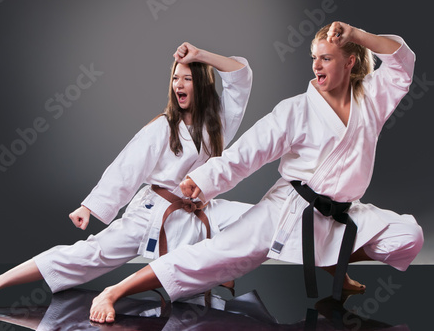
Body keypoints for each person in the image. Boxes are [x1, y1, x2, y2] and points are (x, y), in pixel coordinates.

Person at [87, 21, 424, 323]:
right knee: (212, 257)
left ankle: (327, 256)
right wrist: (201, 180)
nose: (316, 66)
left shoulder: (372, 99)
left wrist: (359, 35)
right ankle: (115, 291)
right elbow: (247, 153)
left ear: (350, 62)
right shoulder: (296, 110)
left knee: (408, 237)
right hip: (288, 210)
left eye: (326, 58)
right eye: (314, 57)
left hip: (341, 212)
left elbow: (402, 64)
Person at [0, 42, 254, 315]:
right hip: (153, 214)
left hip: (196, 210)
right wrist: (89, 207)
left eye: (187, 79)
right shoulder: (163, 128)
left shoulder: (217, 120)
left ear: (202, 84)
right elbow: (125, 168)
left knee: (258, 219)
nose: (178, 84)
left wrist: (200, 54)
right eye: (175, 78)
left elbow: (240, 76)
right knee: (87, 256)